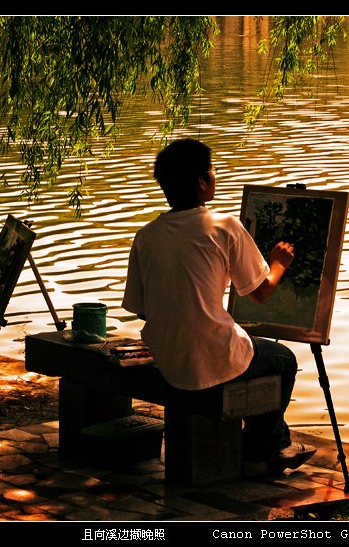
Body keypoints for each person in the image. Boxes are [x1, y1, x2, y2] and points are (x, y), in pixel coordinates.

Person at [121, 138, 316, 477]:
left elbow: (141, 310)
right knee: (283, 360)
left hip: (167, 360)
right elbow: (260, 293)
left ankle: (273, 443)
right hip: (212, 357)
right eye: (211, 170)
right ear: (201, 181)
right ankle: (261, 450)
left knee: (255, 353)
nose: (214, 176)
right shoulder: (224, 226)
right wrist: (279, 262)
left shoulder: (146, 235)